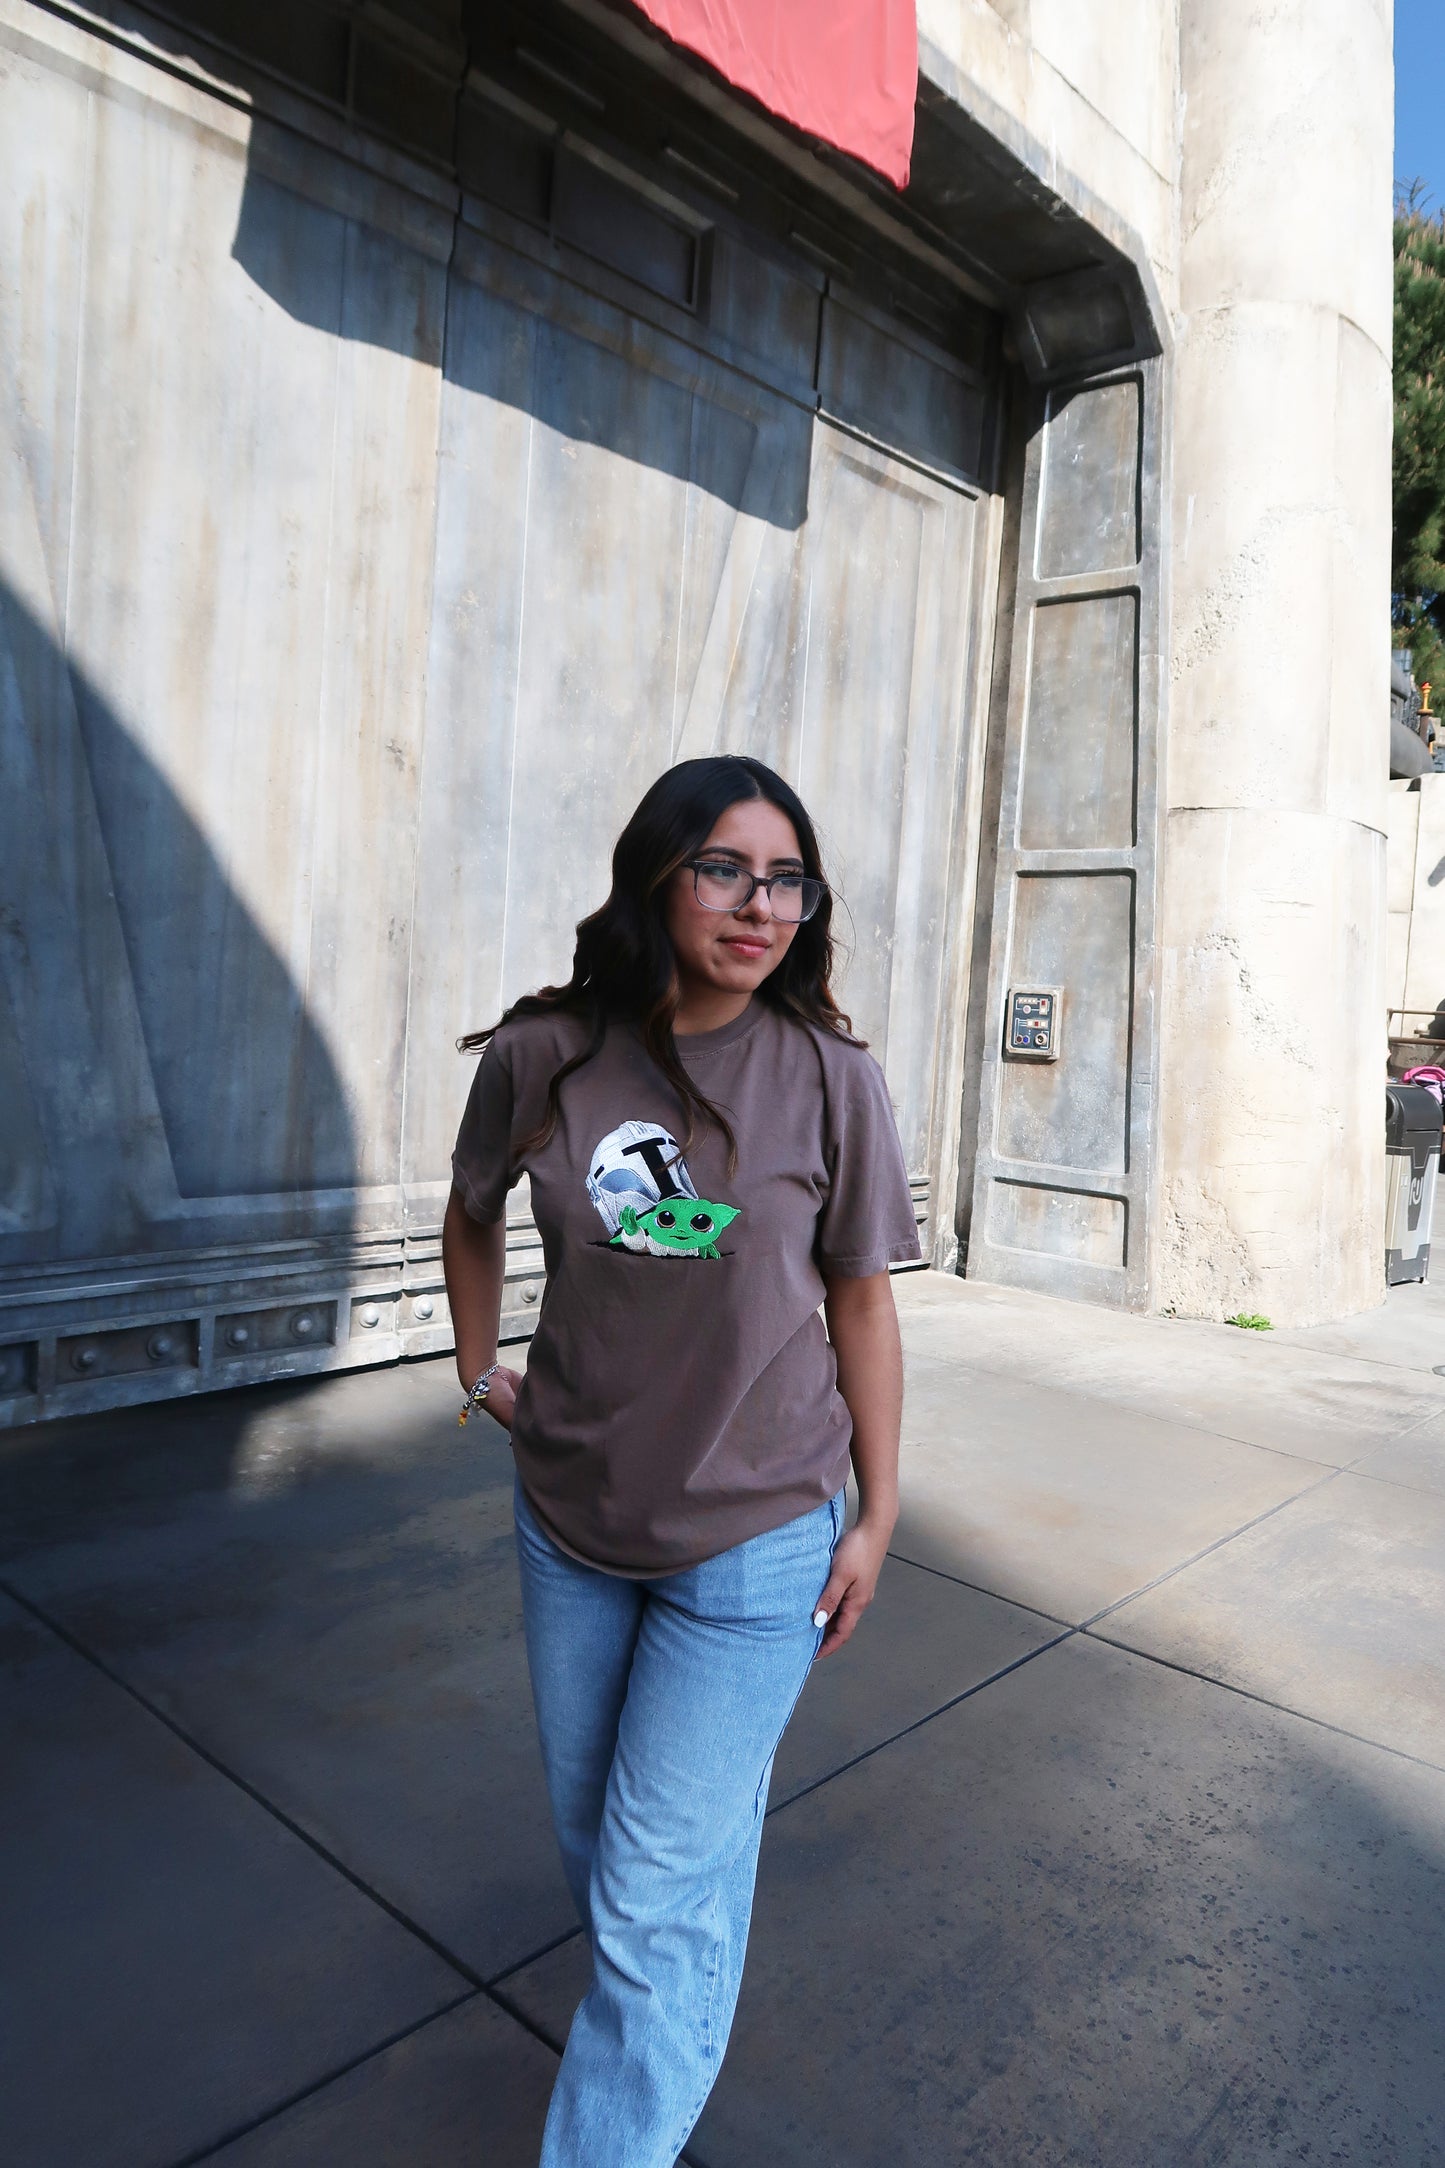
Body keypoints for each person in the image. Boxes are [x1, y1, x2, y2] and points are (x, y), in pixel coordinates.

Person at [442, 754, 920, 2167]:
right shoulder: (545, 1054)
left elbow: (861, 1305)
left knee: (649, 1897)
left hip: (758, 1539)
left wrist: (878, 1513)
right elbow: (471, 1209)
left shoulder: (830, 1078)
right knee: (611, 1860)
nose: (759, 906)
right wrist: (477, 1371)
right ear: (656, 877)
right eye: (724, 870)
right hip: (571, 1521)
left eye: (787, 881)